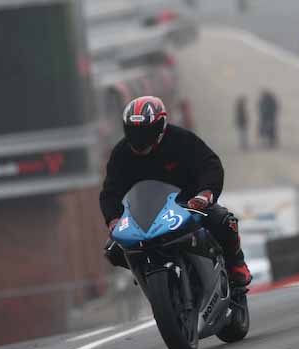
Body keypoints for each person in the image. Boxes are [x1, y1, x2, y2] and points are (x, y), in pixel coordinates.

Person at [100, 96, 252, 287]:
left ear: (160, 126)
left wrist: (205, 193)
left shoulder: (182, 140)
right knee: (113, 250)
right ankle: (144, 272)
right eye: (133, 131)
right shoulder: (121, 153)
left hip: (189, 205)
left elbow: (209, 165)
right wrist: (113, 219)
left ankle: (236, 263)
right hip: (145, 214)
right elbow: (111, 190)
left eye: (145, 131)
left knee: (222, 220)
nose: (139, 137)